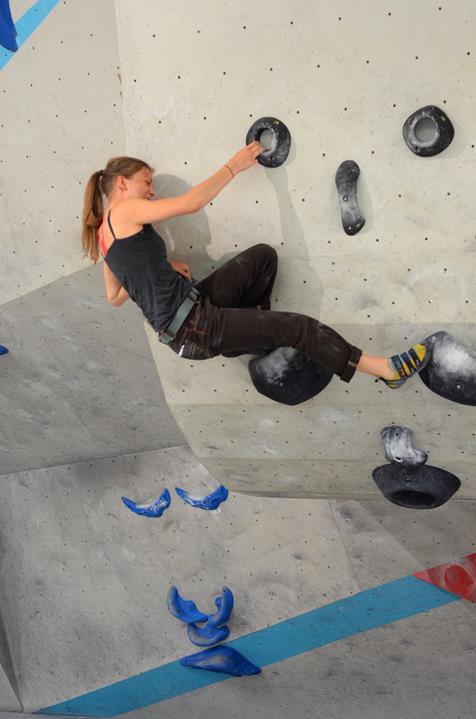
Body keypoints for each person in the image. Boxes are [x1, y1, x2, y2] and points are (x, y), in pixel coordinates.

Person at [81, 142, 429, 389]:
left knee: (263, 258)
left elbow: (115, 295)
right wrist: (234, 165)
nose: (151, 191)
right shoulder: (123, 210)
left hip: (193, 308)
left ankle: (257, 336)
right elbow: (191, 203)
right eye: (146, 181)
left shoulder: (103, 233)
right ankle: (384, 370)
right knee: (298, 328)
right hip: (195, 329)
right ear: (122, 183)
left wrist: (164, 265)